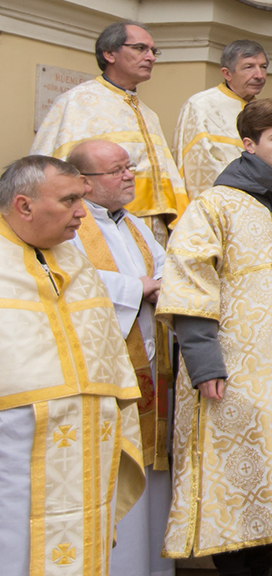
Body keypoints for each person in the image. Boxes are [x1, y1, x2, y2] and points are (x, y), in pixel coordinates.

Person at [157, 98, 272, 573]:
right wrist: (203, 363)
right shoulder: (214, 206)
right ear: (248, 144)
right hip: (229, 365)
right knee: (230, 480)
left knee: (271, 475)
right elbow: (189, 283)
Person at [0, 155, 145, 576]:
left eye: (82, 199)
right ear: (23, 206)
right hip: (14, 451)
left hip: (87, 445)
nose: (83, 212)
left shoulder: (74, 261)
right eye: (69, 201)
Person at [65, 141, 172, 576]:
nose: (129, 175)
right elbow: (73, 278)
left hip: (149, 359)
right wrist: (138, 289)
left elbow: (166, 268)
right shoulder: (72, 225)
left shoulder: (135, 225)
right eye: (117, 170)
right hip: (106, 369)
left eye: (129, 167)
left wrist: (160, 283)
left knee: (151, 468)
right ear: (85, 183)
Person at [32, 21, 188, 237]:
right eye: (140, 48)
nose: (151, 57)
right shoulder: (77, 101)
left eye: (153, 51)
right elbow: (50, 169)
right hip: (98, 225)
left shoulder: (149, 114)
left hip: (151, 227)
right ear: (109, 54)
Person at [173, 41, 270, 200]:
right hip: (222, 201)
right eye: (249, 67)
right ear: (227, 73)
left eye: (263, 67)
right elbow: (201, 165)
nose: (259, 75)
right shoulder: (201, 105)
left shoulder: (265, 111)